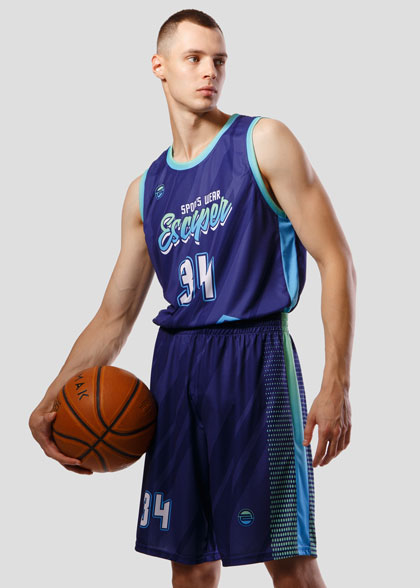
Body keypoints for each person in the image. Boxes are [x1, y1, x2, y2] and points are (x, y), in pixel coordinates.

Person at [29, 9, 356, 588]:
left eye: (219, 60)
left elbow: (337, 260)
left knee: (287, 559)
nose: (210, 72)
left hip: (255, 359)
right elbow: (114, 317)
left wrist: (337, 384)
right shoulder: (146, 190)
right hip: (176, 367)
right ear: (159, 66)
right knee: (191, 565)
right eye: (194, 58)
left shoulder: (263, 142)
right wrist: (51, 400)